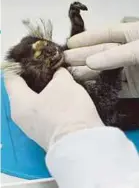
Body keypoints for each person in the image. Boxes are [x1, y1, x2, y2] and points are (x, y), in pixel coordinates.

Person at [4, 21, 139, 188]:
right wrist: (113, 69)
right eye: (40, 55)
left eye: (47, 45)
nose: (52, 50)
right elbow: (104, 98)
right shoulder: (42, 92)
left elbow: (72, 54)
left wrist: (76, 28)